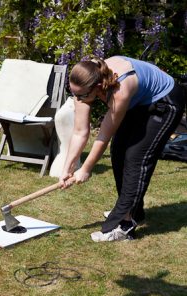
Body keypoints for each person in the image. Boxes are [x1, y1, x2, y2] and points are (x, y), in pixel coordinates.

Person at [59, 55, 186, 242]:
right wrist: (67, 168)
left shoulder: (120, 89)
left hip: (165, 101)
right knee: (118, 151)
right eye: (73, 93)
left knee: (136, 158)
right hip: (140, 102)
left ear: (99, 87)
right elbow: (80, 132)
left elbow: (103, 136)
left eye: (82, 95)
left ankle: (124, 226)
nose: (77, 99)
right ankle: (132, 210)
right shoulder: (85, 84)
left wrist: (86, 169)